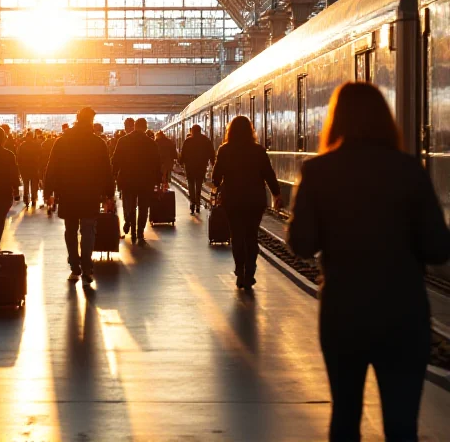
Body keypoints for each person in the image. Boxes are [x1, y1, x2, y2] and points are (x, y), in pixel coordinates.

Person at [287, 83, 450, 441]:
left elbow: (300, 244)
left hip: (343, 312)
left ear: (335, 119)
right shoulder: (410, 170)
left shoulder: (317, 171)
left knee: (345, 416)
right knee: (402, 423)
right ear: (385, 119)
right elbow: (438, 248)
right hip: (403, 313)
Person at [45, 107, 115, 284]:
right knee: (88, 229)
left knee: (70, 230)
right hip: (90, 193)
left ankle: (74, 267)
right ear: (91, 121)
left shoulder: (62, 141)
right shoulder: (98, 143)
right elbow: (107, 170)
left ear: (77, 119)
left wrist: (48, 192)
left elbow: (51, 167)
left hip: (68, 193)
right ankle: (87, 268)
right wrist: (109, 195)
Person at [212, 116, 281, 289]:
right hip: (254, 200)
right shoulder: (258, 150)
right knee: (251, 236)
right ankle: (250, 272)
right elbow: (269, 174)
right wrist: (276, 194)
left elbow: (215, 177)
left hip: (233, 199)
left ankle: (239, 270)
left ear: (230, 131)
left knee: (236, 235)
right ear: (250, 130)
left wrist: (219, 182)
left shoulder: (224, 150)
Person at [111, 117, 162, 244]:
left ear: (134, 126)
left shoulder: (123, 141)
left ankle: (130, 223)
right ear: (145, 128)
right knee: (144, 207)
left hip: (127, 180)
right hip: (146, 181)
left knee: (130, 205)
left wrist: (113, 175)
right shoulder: (151, 143)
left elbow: (115, 160)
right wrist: (158, 181)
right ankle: (140, 233)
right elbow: (157, 164)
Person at [179, 124, 215, 214]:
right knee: (199, 185)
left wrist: (181, 162)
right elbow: (211, 153)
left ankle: (192, 203)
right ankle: (198, 204)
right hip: (201, 166)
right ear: (200, 130)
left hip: (190, 167)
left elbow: (182, 154)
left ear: (192, 131)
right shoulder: (206, 140)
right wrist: (212, 163)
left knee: (191, 185)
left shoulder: (188, 141)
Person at [17, 130, 42, 207]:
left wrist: (20, 167)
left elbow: (18, 158)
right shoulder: (36, 145)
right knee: (34, 185)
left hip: (25, 168)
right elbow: (41, 156)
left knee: (26, 184)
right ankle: (33, 199)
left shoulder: (22, 146)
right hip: (34, 168)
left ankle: (26, 199)